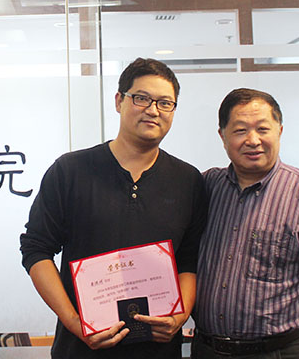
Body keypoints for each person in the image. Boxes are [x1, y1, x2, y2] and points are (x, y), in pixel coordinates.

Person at [20, 58, 207, 359]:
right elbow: (36, 249)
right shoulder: (70, 171)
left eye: (165, 103)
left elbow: (189, 260)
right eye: (141, 98)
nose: (153, 110)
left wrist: (179, 316)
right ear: (119, 101)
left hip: (158, 351)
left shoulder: (189, 180)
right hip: (80, 349)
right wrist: (74, 322)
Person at [191, 88, 299, 358]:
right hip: (207, 349)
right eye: (240, 131)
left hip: (281, 351)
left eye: (263, 129)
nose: (253, 140)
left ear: (279, 131)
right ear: (222, 136)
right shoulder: (205, 187)